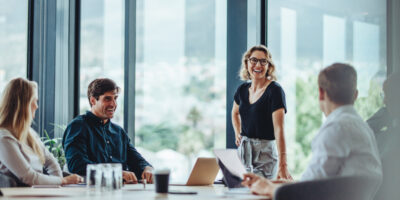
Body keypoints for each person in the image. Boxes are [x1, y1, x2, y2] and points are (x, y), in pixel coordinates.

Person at [242, 63, 382, 197]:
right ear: (355, 95)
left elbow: (308, 192)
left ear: (321, 93)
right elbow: (317, 184)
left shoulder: (336, 129)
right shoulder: (363, 128)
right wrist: (280, 184)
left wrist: (267, 188)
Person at [63, 78, 153, 184]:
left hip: (121, 192)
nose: (113, 104)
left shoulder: (119, 132)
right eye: (107, 99)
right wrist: (116, 173)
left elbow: (135, 159)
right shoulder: (78, 126)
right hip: (89, 193)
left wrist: (147, 168)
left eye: (115, 98)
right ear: (93, 100)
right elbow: (77, 165)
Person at [0, 78, 82, 186]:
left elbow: (50, 161)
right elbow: (29, 177)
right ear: (24, 105)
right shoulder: (4, 139)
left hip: (34, 193)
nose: (37, 106)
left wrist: (58, 184)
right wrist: (63, 181)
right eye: (35, 101)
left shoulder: (29, 133)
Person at [232, 45, 291, 180]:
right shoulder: (242, 89)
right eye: (253, 60)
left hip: (265, 154)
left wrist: (283, 164)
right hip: (244, 152)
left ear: (268, 66)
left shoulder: (275, 91)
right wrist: (237, 132)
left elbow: (279, 129)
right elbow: (234, 113)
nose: (258, 65)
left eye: (263, 61)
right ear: (247, 63)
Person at [371, 72, 400, 200]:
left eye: (388, 96)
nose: (384, 101)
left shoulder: (392, 138)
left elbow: (364, 134)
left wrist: (384, 114)